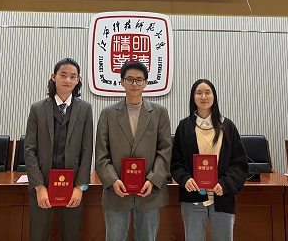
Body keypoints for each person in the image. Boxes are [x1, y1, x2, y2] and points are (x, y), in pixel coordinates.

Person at [95, 60, 172, 241]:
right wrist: (113, 181)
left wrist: (153, 180)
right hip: (116, 193)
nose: (134, 84)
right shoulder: (108, 114)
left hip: (149, 193)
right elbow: (101, 154)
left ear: (146, 82)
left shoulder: (159, 113)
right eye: (129, 79)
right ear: (122, 81)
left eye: (139, 79)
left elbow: (165, 150)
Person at [25, 58, 93, 241]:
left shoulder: (85, 109)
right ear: (54, 77)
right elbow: (29, 149)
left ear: (78, 80)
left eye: (73, 76)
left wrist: (80, 187)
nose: (68, 80)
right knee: (38, 235)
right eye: (63, 75)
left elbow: (87, 150)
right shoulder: (37, 109)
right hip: (43, 182)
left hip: (73, 184)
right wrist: (39, 186)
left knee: (71, 235)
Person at [170, 79, 248, 241]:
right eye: (199, 93)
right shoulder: (184, 127)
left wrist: (225, 184)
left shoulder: (227, 126)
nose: (203, 97)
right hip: (193, 198)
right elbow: (175, 162)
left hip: (222, 197)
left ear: (214, 96)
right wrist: (185, 179)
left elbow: (239, 164)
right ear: (193, 97)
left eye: (207, 92)